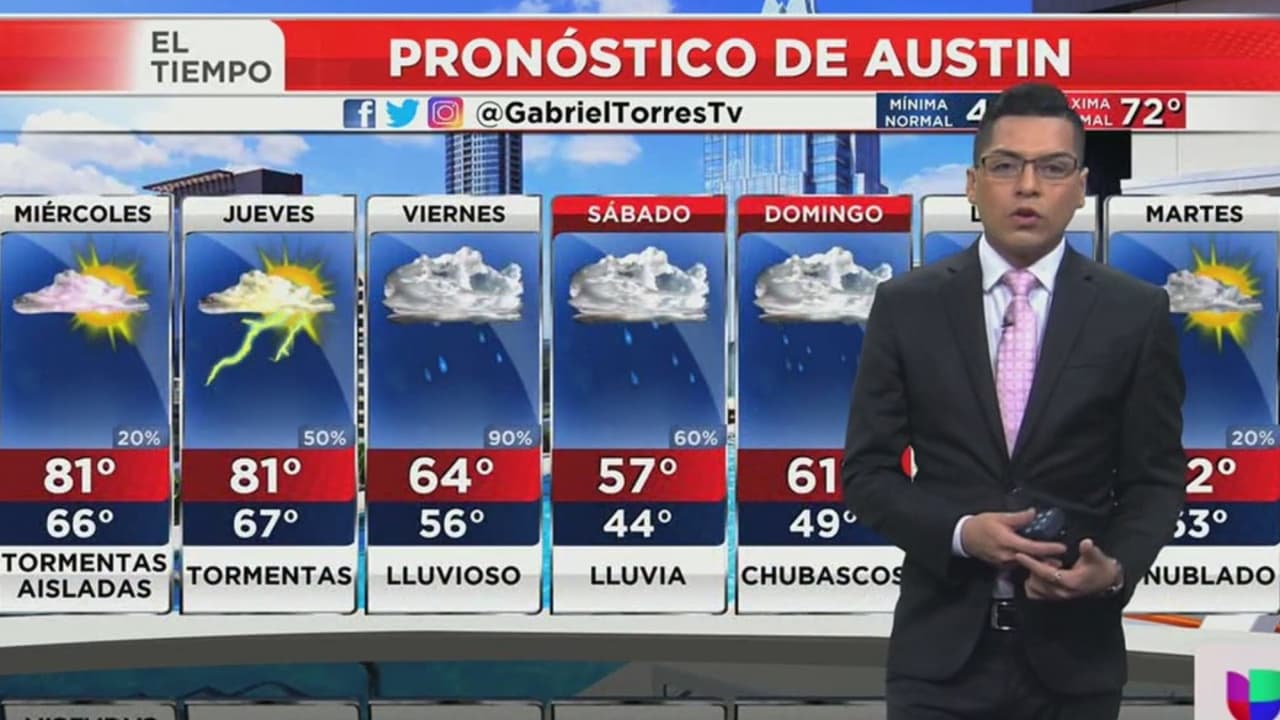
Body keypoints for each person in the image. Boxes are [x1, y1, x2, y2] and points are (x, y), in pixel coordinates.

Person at [842, 82, 1186, 719]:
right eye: (1005, 166)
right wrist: (961, 533)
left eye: (1052, 168)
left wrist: (1113, 570)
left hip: (1075, 665)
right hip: (939, 665)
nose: (1028, 187)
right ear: (973, 184)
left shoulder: (1134, 313)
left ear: (1080, 187)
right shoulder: (907, 306)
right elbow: (867, 475)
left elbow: (1156, 480)